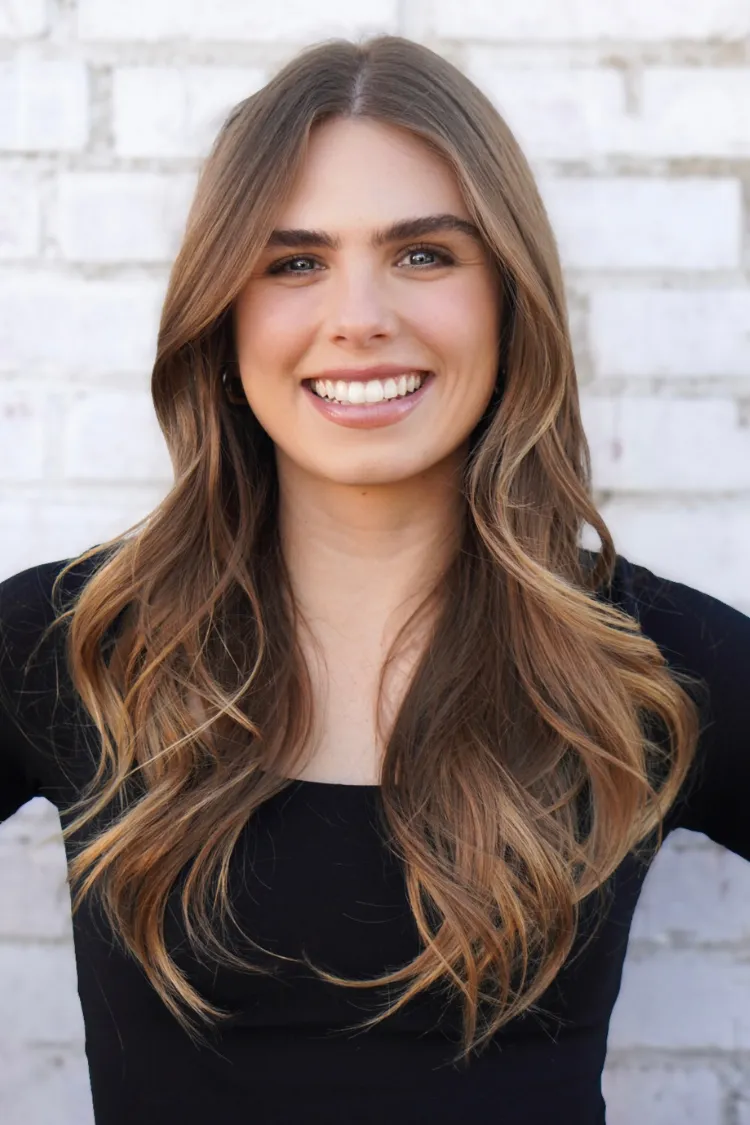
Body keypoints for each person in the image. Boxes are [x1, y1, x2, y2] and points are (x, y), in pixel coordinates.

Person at [0, 33, 748, 1125]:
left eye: (425, 255)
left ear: (509, 299)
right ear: (225, 314)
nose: (358, 317)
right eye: (292, 262)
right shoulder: (75, 642)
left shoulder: (651, 662)